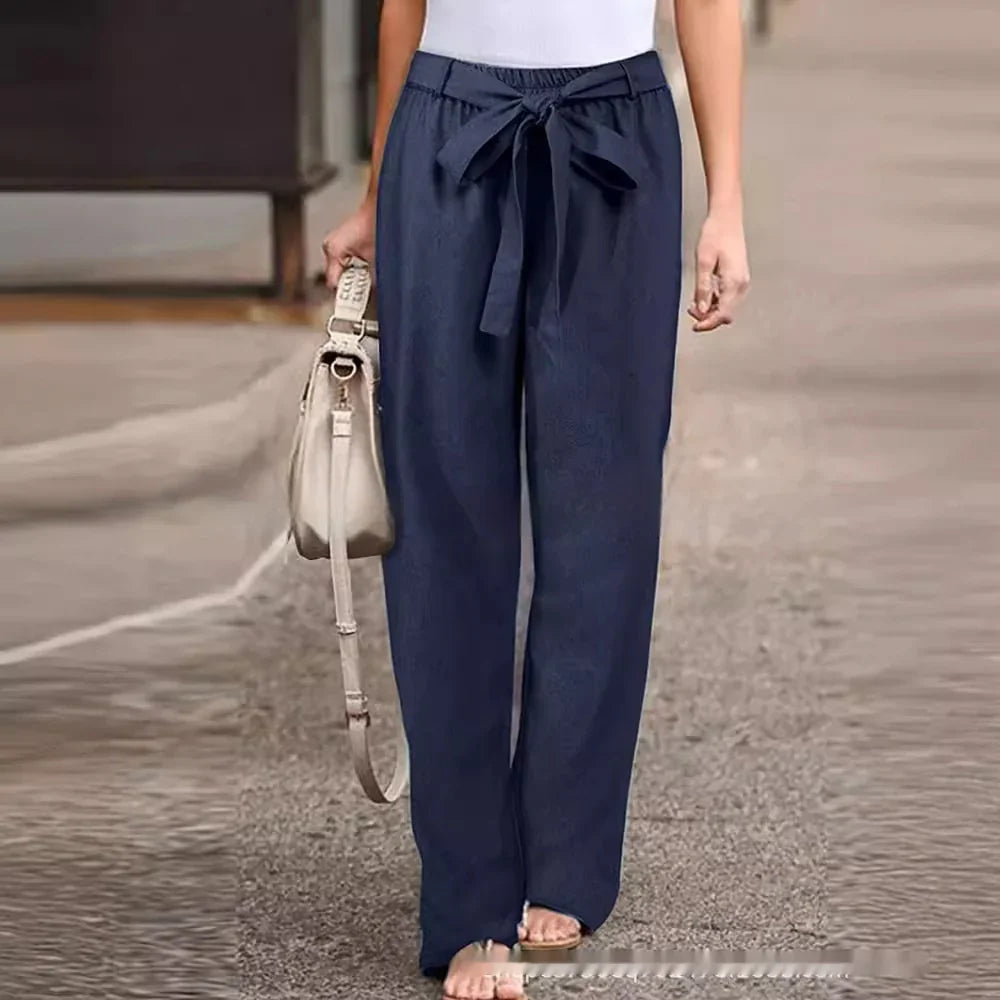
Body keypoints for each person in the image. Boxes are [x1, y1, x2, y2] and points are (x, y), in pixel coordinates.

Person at [322, 1, 749, 997]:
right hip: (445, 131)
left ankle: (563, 858)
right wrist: (378, 189)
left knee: (603, 518)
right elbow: (403, 7)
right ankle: (471, 899)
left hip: (614, 133)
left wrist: (726, 200)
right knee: (442, 526)